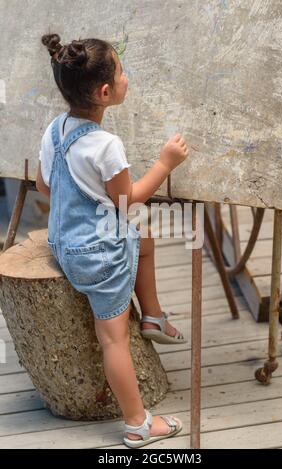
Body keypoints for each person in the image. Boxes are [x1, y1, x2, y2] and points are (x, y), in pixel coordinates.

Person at [36, 33, 189, 448]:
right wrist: (165, 162)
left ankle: (153, 314)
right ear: (105, 92)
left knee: (143, 230)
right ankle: (138, 423)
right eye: (122, 71)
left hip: (65, 243)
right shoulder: (106, 145)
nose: (126, 76)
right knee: (114, 340)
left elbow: (44, 186)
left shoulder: (55, 130)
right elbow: (128, 199)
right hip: (97, 256)